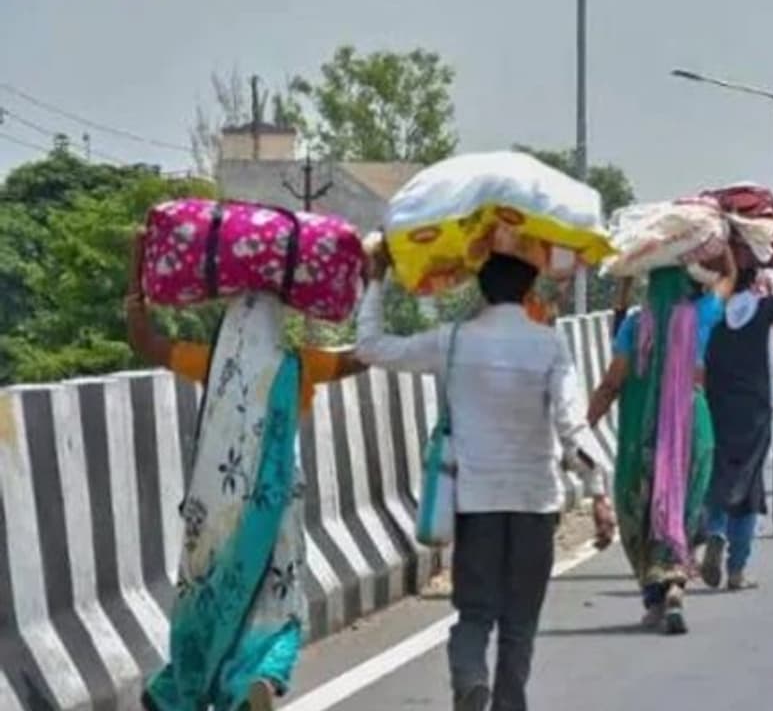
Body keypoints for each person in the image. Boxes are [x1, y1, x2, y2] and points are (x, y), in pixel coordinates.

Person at [355, 247, 615, 711]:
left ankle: (471, 675)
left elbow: (371, 347)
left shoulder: (453, 340)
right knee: (520, 624)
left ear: (481, 288)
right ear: (528, 287)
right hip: (535, 503)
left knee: (474, 614)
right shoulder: (549, 344)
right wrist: (598, 491)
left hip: (476, 504)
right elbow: (572, 427)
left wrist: (376, 281)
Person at [126, 235, 366, 711]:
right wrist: (373, 283)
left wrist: (136, 273)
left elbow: (144, 341)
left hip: (215, 505)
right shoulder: (298, 366)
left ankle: (180, 688)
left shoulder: (212, 362)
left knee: (209, 593)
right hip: (276, 508)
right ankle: (257, 678)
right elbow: (362, 356)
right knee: (279, 607)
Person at [587, 250, 736, 635]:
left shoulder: (635, 326)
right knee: (684, 505)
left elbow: (611, 383)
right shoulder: (699, 316)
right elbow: (728, 280)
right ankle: (675, 588)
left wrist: (584, 425)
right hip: (692, 429)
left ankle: (654, 598)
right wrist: (725, 249)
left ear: (649, 286)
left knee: (638, 506)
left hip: (641, 432)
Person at [701, 234, 773, 591]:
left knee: (719, 477)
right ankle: (736, 569)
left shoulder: (709, 312)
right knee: (749, 487)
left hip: (715, 403)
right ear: (755, 280)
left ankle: (715, 531)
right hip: (754, 410)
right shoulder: (761, 310)